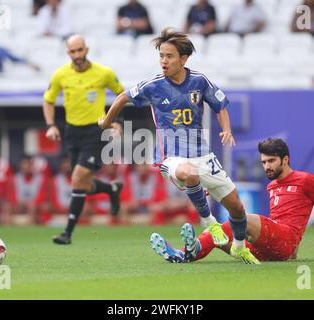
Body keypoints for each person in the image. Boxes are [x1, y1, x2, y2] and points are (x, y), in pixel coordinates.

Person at [99, 28, 260, 264]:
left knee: (237, 208)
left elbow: (220, 106)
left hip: (202, 154)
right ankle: (209, 223)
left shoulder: (199, 81)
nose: (164, 61)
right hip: (170, 156)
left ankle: (238, 247)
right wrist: (108, 120)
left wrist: (226, 129)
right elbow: (123, 97)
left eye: (169, 56)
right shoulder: (153, 86)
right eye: (161, 56)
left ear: (183, 59)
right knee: (189, 174)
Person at [149, 138, 314, 263]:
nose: (266, 166)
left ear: (285, 159)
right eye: (264, 162)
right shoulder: (272, 185)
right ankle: (184, 255)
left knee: (242, 219)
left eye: (271, 161)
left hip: (286, 240)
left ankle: (191, 249)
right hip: (270, 248)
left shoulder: (307, 180)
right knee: (218, 236)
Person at [43, 34, 125, 244]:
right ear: (68, 53)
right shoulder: (61, 75)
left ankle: (67, 233)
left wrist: (117, 120)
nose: (77, 55)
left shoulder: (103, 73)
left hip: (95, 132)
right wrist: (51, 125)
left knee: (77, 178)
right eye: (73, 51)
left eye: (80, 50)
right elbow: (48, 100)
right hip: (72, 133)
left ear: (86, 50)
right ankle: (111, 189)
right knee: (83, 184)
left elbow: (121, 94)